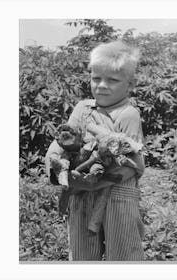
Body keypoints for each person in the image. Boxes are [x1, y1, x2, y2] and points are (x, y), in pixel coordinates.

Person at [45, 40, 145, 261]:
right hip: (81, 193)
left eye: (112, 80)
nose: (101, 85)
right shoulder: (83, 108)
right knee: (82, 254)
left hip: (117, 193)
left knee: (124, 253)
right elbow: (61, 141)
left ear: (130, 84)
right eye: (96, 78)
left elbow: (134, 164)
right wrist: (54, 160)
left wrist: (98, 182)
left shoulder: (128, 114)